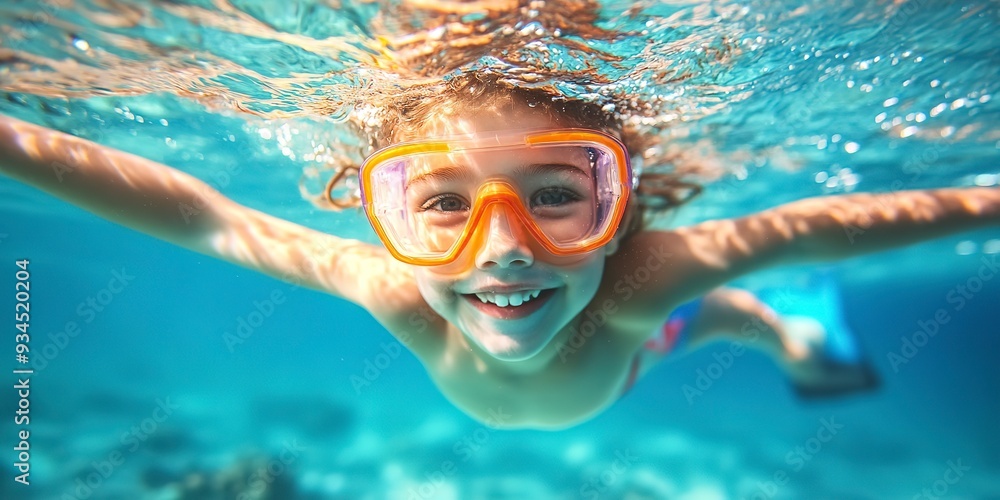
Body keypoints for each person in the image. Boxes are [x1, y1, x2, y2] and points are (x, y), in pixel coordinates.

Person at [1, 73, 997, 430]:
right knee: (699, 319)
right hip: (621, 355)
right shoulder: (393, 288)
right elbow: (204, 215)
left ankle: (798, 327)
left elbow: (812, 223)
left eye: (556, 195)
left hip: (633, 349)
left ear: (619, 203)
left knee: (730, 316)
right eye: (442, 202)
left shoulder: (641, 274)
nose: (505, 250)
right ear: (380, 215)